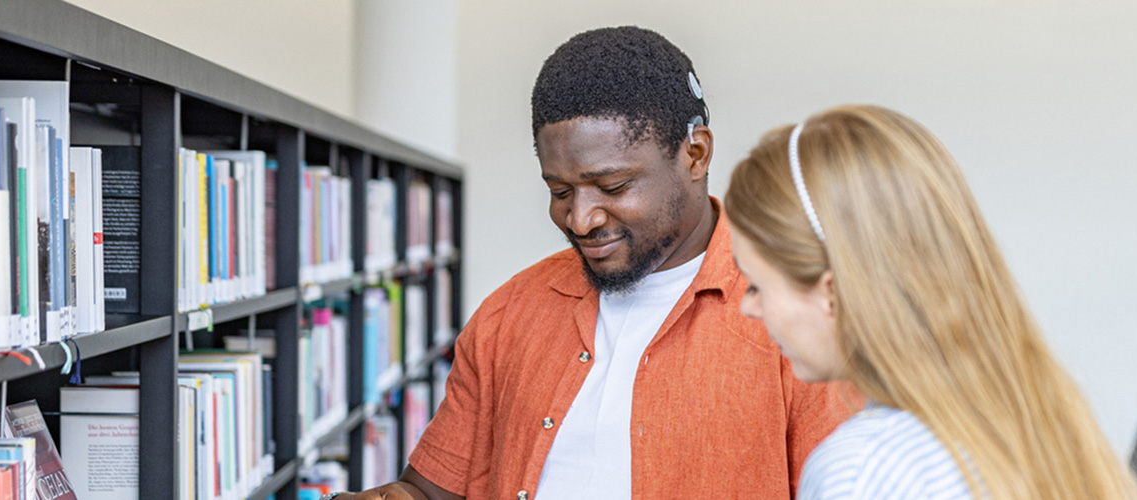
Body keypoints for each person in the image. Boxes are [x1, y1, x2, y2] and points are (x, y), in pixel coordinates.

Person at [340, 26, 853, 500]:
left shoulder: (800, 321)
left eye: (613, 186)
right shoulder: (509, 314)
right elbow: (431, 491)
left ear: (695, 155)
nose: (580, 220)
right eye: (559, 190)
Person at [722, 104, 1137, 500]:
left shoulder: (862, 473)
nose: (747, 307)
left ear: (833, 292)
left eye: (757, 285)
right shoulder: (1043, 416)